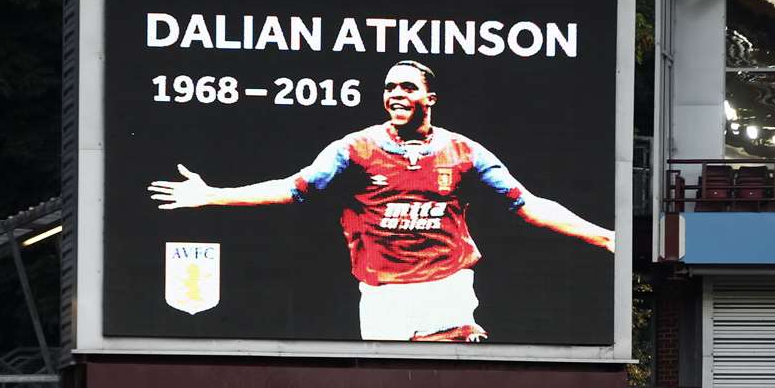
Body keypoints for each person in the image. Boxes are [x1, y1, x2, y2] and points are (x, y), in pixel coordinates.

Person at [150, 59, 617, 341]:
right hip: (381, 296)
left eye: (407, 87)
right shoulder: (355, 149)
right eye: (390, 87)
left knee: (446, 374)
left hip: (445, 286)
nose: (396, 93)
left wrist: (606, 238)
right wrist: (213, 196)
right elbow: (296, 189)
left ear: (429, 98)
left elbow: (527, 204)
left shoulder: (463, 151)